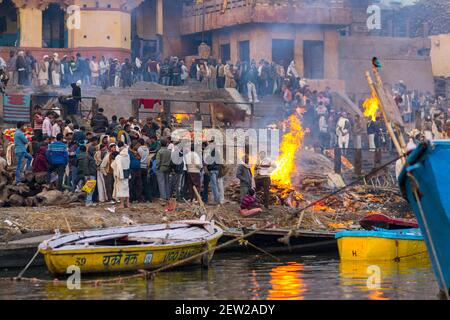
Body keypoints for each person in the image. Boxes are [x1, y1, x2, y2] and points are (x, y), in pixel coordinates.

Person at [111, 142, 131, 208]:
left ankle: (122, 204)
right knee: (126, 189)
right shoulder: (127, 155)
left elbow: (118, 167)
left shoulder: (118, 157)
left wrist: (119, 175)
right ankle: (127, 203)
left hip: (121, 174)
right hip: (127, 173)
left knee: (121, 189)